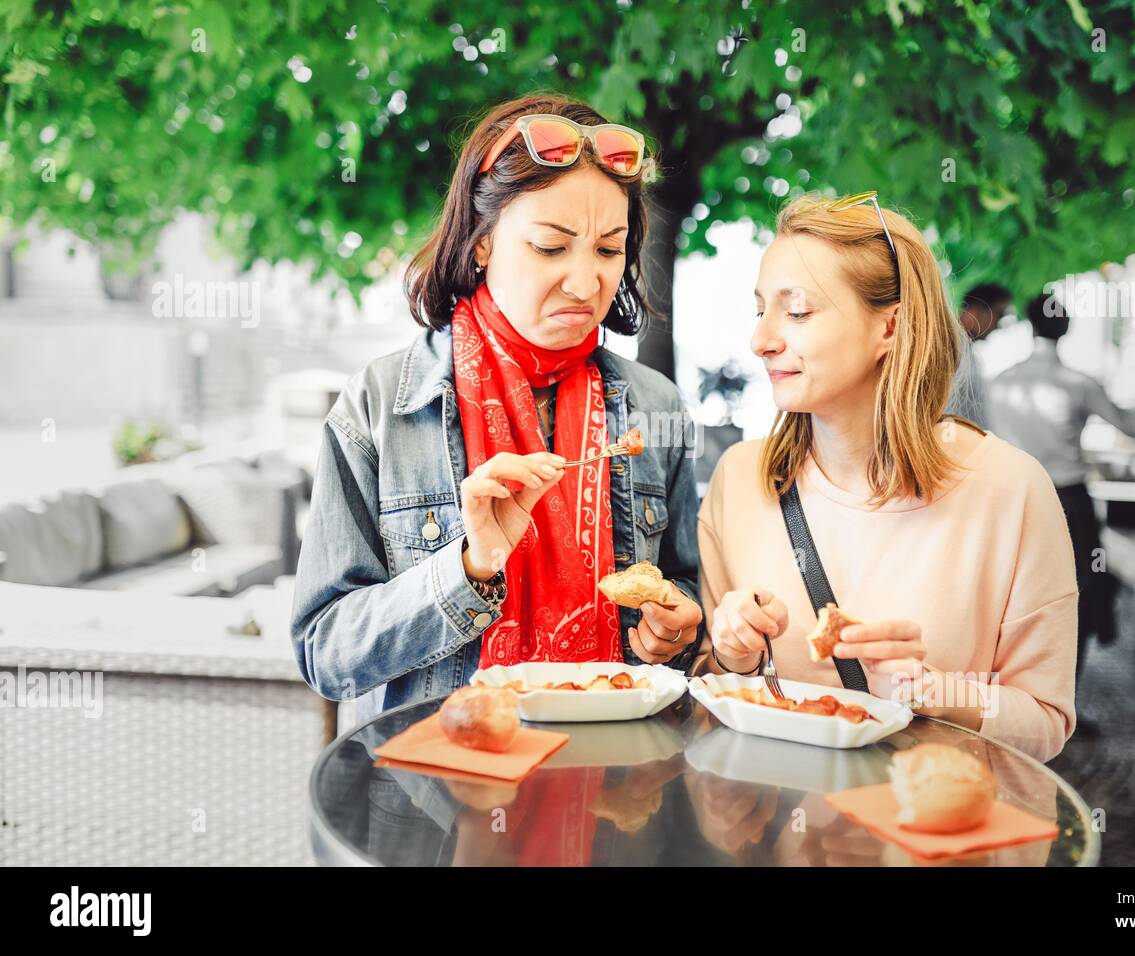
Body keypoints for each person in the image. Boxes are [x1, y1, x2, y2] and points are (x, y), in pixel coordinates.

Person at [291, 94, 703, 727]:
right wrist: (469, 567)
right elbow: (326, 652)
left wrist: (671, 636)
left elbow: (684, 600)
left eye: (608, 249)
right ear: (482, 243)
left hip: (613, 794)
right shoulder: (378, 408)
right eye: (550, 247)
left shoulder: (657, 409)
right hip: (437, 803)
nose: (585, 282)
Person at [697, 193, 1079, 763]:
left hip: (930, 840)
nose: (761, 340)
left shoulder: (1012, 490)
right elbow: (712, 694)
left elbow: (1046, 723)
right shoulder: (740, 481)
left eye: (797, 311)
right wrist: (732, 654)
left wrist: (933, 690)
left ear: (891, 328)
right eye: (760, 310)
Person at [987, 292, 1135, 694]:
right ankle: (1061, 700)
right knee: (1073, 596)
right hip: (1069, 502)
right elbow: (1133, 427)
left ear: (1031, 326)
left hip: (1010, 499)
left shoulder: (1001, 382)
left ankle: (1007, 698)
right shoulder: (1079, 384)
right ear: (1066, 329)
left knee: (1009, 594)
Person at [944, 282, 1012, 429]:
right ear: (975, 311)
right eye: (999, 315)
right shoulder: (950, 350)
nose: (999, 324)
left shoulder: (962, 349)